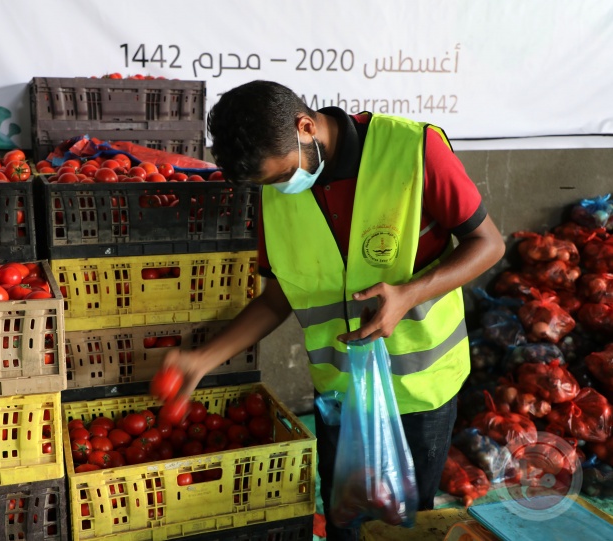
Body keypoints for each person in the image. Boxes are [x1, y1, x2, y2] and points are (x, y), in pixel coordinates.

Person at [161, 80, 505, 540]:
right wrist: (202, 359)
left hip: (422, 392)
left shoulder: (412, 148)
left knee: (404, 526)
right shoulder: (275, 191)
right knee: (345, 521)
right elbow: (278, 296)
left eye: (282, 175)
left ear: (306, 127)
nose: (282, 188)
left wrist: (409, 295)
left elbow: (488, 244)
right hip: (341, 394)